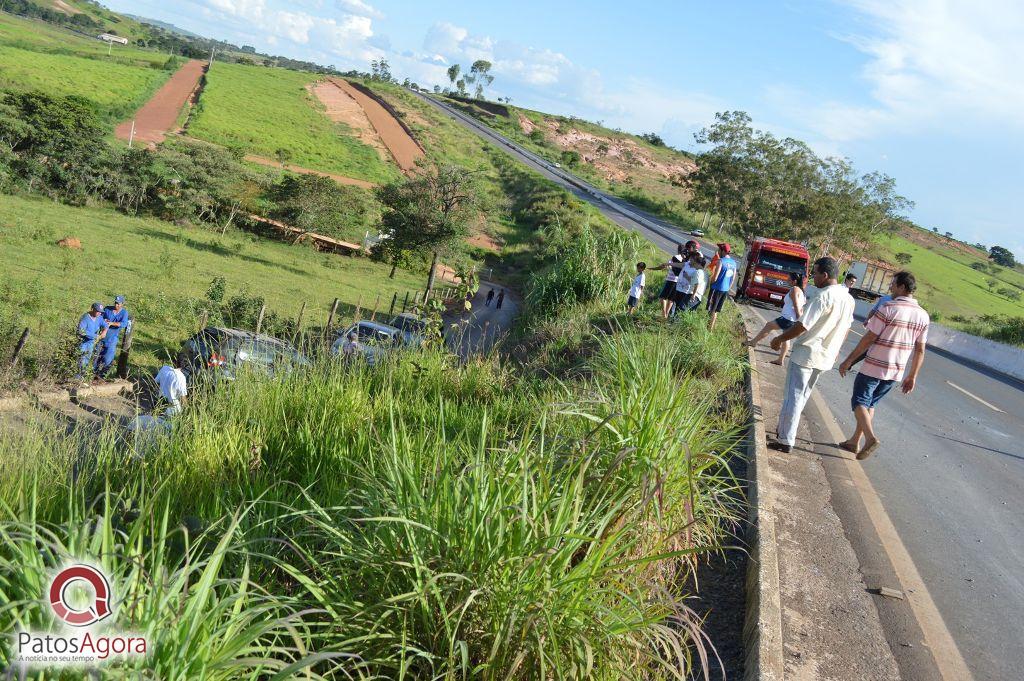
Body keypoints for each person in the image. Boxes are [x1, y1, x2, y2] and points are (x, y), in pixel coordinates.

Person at [837, 271, 929, 460]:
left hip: (874, 366)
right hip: (896, 371)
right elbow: (920, 349)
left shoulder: (888, 308)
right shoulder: (923, 316)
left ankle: (870, 438)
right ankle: (854, 441)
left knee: (859, 402)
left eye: (893, 284)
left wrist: (848, 360)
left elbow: (869, 338)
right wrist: (912, 376)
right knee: (870, 404)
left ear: (902, 287)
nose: (890, 287)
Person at [767, 257, 855, 453]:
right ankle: (783, 433)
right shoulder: (848, 298)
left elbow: (802, 326)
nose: (813, 277)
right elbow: (846, 329)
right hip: (824, 357)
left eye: (815, 273)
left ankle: (785, 440)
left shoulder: (823, 296)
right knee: (801, 397)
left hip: (806, 354)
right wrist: (835, 350)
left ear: (825, 275)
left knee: (793, 397)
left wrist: (779, 339)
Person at [745, 272, 806, 365]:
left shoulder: (794, 289)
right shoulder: (801, 291)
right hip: (790, 318)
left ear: (794, 281)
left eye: (789, 280)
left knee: (769, 325)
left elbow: (796, 304)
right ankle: (780, 360)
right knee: (786, 339)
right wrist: (798, 316)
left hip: (788, 318)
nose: (787, 281)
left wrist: (798, 315)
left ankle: (754, 342)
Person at [95, 295, 129, 378]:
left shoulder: (124, 313)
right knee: (96, 358)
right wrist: (104, 320)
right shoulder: (107, 309)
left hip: (112, 339)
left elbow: (124, 324)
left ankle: (101, 376)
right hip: (101, 337)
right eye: (116, 303)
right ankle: (92, 374)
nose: (116, 305)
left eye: (118, 304)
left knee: (108, 359)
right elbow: (99, 317)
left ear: (122, 304)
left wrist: (112, 323)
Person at [651, 244, 688, 318]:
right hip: (678, 282)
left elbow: (663, 266)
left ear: (678, 250)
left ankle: (664, 313)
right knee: (671, 299)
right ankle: (667, 314)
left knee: (663, 297)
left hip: (671, 280)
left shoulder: (675, 258)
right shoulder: (685, 260)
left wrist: (653, 268)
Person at [707, 243, 737, 330]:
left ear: (723, 251)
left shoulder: (721, 261)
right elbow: (732, 279)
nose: (718, 252)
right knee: (715, 310)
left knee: (711, 309)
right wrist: (727, 288)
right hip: (725, 290)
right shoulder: (734, 263)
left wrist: (710, 283)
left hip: (716, 288)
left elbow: (715, 277)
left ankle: (709, 328)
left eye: (719, 250)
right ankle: (711, 328)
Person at [76, 303, 108, 380]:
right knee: (81, 360)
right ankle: (77, 378)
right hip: (83, 342)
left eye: (100, 312)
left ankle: (82, 378)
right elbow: (81, 331)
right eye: (98, 311)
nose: (99, 313)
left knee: (87, 360)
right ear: (92, 309)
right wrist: (96, 336)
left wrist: (104, 332)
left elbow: (106, 325)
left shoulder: (99, 318)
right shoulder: (85, 318)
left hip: (91, 343)